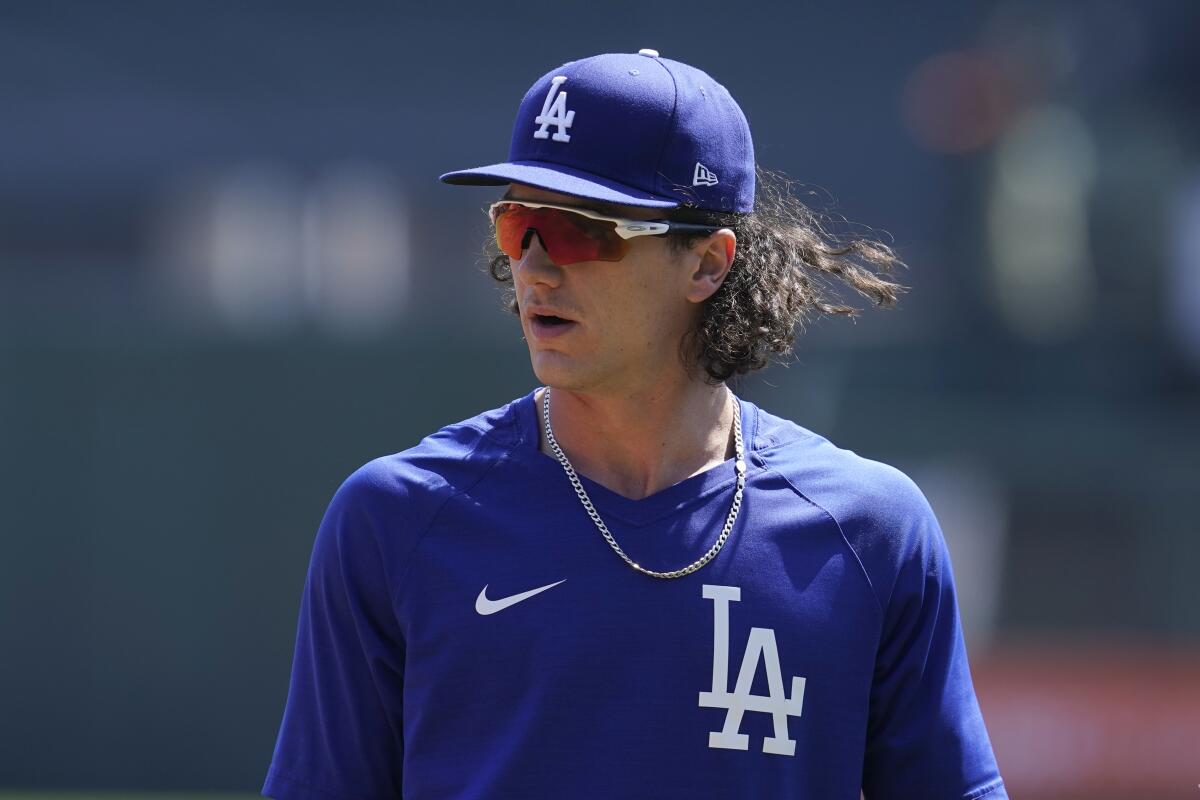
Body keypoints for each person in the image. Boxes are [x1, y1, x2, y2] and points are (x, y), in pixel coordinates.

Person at [262, 50, 1007, 800]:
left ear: (708, 265)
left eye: (584, 231)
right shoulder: (398, 517)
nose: (537, 269)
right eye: (520, 223)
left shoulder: (869, 530)